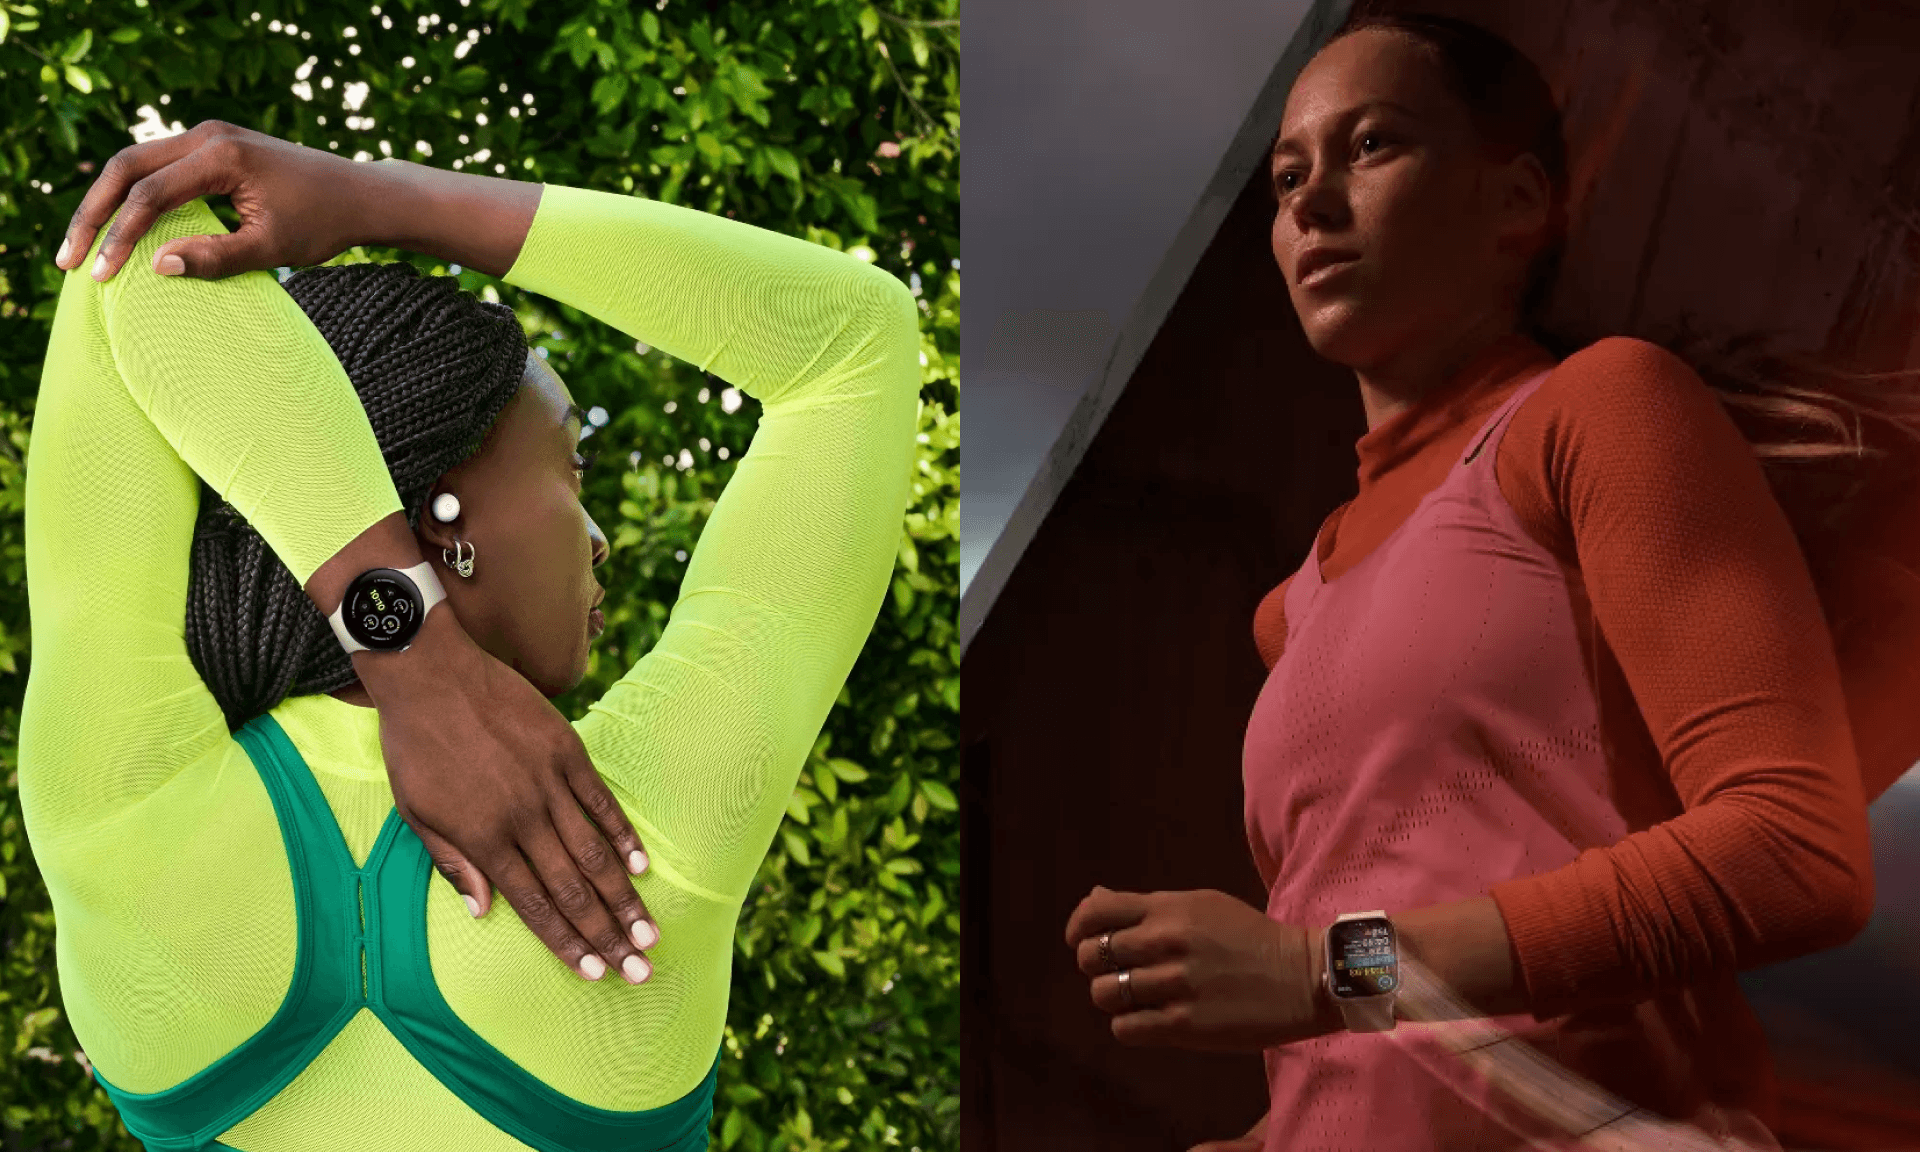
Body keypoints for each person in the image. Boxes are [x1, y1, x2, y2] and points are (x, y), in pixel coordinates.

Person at [1063, 10, 1920, 1152]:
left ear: (1515, 202)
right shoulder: (1293, 610)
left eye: (1372, 146)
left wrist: (1317, 971)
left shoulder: (1599, 411)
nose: (1312, 202)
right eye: (1286, 176)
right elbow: (1394, 998)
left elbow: (1792, 849)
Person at [19, 122, 918, 1151]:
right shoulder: (634, 844)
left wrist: (401, 644)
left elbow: (131, 249)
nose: (600, 537)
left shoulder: (117, 812)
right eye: (569, 466)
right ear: (445, 517)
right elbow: (854, 339)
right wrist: (379, 198)